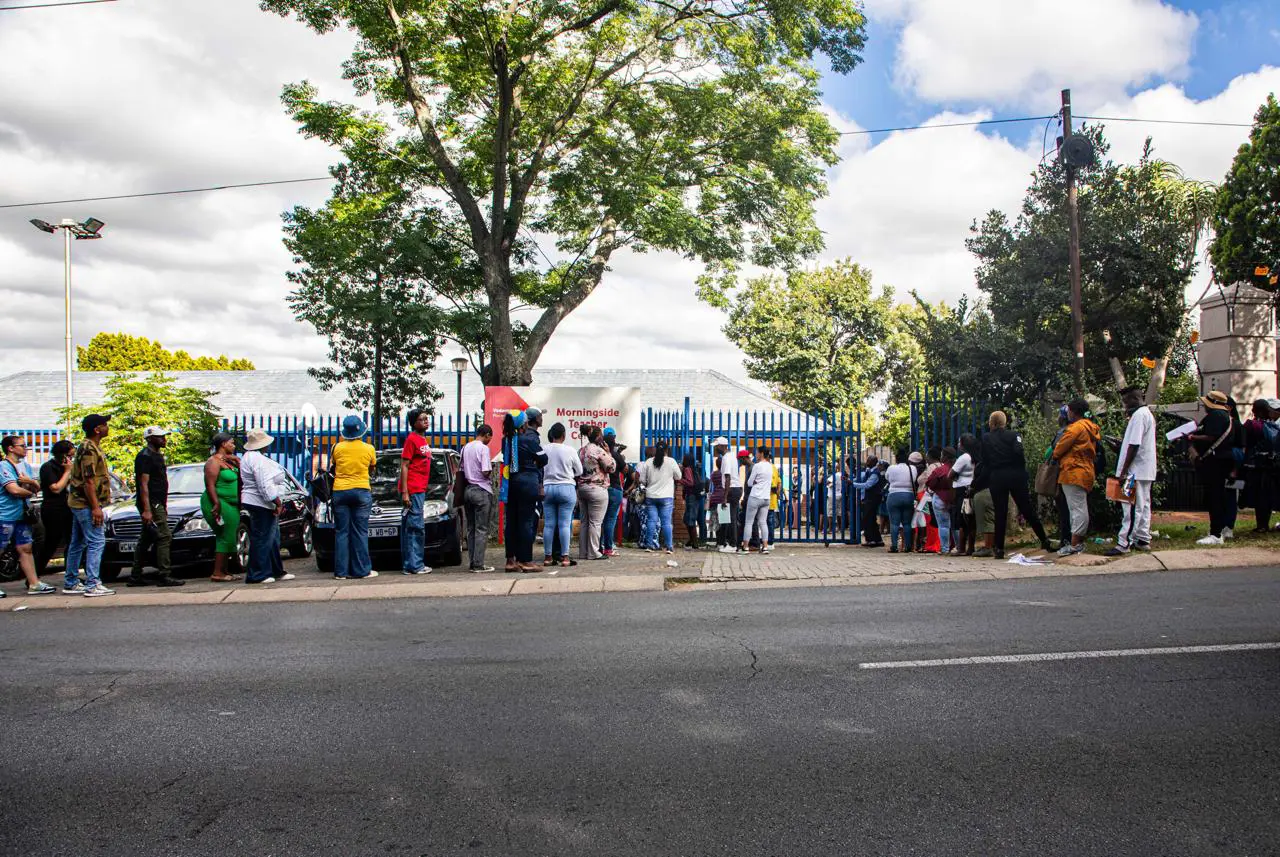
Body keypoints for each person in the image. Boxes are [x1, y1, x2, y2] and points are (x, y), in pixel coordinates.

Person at [982, 411, 1052, 559]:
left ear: (991, 423)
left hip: (997, 476)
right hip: (1016, 475)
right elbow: (1019, 452)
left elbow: (985, 460)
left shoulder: (986, 438)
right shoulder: (1014, 435)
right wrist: (1019, 468)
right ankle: (1044, 539)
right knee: (1026, 508)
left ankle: (999, 548)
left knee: (1000, 512)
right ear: (1004, 422)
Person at [0, 435, 58, 597]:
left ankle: (34, 583)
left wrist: (30, 484)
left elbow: (36, 487)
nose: (25, 448)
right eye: (22, 445)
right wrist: (30, 490)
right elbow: (14, 490)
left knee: (26, 548)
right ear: (10, 448)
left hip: (22, 515)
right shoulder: (3, 466)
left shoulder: (24, 466)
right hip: (5, 515)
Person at [65, 414, 115, 596]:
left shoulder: (90, 446)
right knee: (96, 541)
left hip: (79, 502)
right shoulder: (88, 449)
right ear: (97, 429)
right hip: (85, 503)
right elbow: (89, 480)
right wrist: (95, 507)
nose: (107, 428)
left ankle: (71, 581)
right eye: (104, 425)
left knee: (77, 542)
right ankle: (92, 583)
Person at [1106, 386, 1159, 555]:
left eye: (1125, 401)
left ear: (1134, 400)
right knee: (1143, 505)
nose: (1124, 405)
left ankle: (1124, 543)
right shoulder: (1146, 414)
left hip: (1134, 471)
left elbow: (1134, 445)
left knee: (1130, 506)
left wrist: (1123, 471)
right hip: (1144, 469)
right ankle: (1142, 538)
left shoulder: (1138, 416)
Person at [129, 426, 184, 587]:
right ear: (150, 439)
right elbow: (143, 484)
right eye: (160, 437)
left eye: (164, 437)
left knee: (146, 538)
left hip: (157, 501)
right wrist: (147, 509)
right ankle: (164, 574)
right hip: (152, 502)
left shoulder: (156, 456)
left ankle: (135, 575)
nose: (164, 439)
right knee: (164, 536)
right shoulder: (145, 457)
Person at [239, 428, 294, 584]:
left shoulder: (247, 457)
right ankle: (257, 574)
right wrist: (276, 501)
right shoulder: (258, 460)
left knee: (270, 538)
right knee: (262, 538)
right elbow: (264, 484)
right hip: (261, 502)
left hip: (254, 500)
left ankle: (274, 570)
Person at [1188, 391, 1238, 545]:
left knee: (1215, 497)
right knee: (1217, 496)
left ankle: (1216, 534)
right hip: (1220, 461)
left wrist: (1192, 437)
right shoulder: (1226, 417)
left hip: (1215, 461)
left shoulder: (1216, 415)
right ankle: (1218, 530)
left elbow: (1211, 437)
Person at [332, 416, 378, 580]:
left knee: (342, 532)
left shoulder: (336, 447)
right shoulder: (369, 448)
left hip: (340, 490)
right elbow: (372, 467)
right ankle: (361, 570)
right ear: (361, 430)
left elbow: (335, 465)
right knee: (360, 531)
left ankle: (341, 572)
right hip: (361, 490)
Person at [1052, 400, 1100, 557]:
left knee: (1077, 508)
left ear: (1073, 411)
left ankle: (1075, 544)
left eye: (1069, 411)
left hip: (1073, 471)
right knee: (1079, 506)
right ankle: (1077, 541)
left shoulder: (1075, 428)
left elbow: (1058, 449)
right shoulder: (1090, 426)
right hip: (1086, 470)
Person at [503, 409, 547, 572]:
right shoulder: (528, 441)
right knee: (526, 522)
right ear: (523, 424)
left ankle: (510, 560)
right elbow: (544, 459)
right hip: (527, 483)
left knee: (512, 523)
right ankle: (525, 560)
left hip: (511, 484)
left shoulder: (506, 441)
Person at [540, 422, 582, 567]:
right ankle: (565, 558)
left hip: (547, 488)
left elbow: (539, 467)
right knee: (564, 524)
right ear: (563, 436)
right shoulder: (570, 450)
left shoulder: (544, 449)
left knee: (549, 525)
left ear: (551, 435)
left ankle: (547, 557)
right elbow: (580, 471)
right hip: (566, 488)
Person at [201, 433, 242, 582]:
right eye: (231, 443)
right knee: (224, 535)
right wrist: (216, 503)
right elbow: (210, 484)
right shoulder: (213, 462)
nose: (234, 445)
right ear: (223, 444)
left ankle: (225, 571)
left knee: (230, 536)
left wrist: (237, 461)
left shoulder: (230, 461)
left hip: (231, 504)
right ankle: (217, 572)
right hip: (217, 502)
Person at [399, 408, 434, 575]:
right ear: (414, 423)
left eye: (426, 418)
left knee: (411, 526)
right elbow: (405, 465)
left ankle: (410, 563)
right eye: (422, 419)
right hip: (413, 488)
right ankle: (415, 565)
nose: (426, 421)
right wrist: (405, 491)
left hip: (420, 487)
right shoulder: (411, 440)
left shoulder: (423, 440)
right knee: (415, 527)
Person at [35, 439, 74, 576]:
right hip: (53, 509)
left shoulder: (65, 467)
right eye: (69, 456)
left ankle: (71, 574)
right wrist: (68, 471)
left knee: (71, 541)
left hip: (67, 507)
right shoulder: (48, 467)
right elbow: (56, 488)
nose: (70, 459)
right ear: (61, 455)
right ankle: (35, 574)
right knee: (52, 541)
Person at [577, 426, 615, 561]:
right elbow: (612, 467)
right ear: (599, 437)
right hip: (597, 489)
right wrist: (608, 453)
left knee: (584, 522)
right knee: (595, 522)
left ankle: (583, 552)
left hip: (582, 489)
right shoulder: (599, 451)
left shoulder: (581, 451)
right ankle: (594, 552)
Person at [461, 423, 495, 572]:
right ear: (487, 434)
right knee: (481, 529)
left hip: (467, 490)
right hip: (481, 490)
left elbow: (461, 469)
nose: (489, 440)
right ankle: (478, 564)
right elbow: (486, 470)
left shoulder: (465, 447)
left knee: (471, 528)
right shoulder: (483, 448)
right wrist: (492, 469)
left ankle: (472, 562)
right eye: (490, 437)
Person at [1242, 399, 1279, 534]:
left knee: (1259, 497)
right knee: (1267, 496)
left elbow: (1244, 442)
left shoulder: (1252, 425)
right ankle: (1264, 525)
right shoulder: (1273, 426)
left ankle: (1261, 525)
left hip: (1256, 464)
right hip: (1271, 465)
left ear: (1254, 410)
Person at [637, 441, 682, 554]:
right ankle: (669, 547)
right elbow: (679, 476)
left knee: (651, 520)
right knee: (666, 522)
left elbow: (642, 480)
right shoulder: (671, 461)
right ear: (667, 450)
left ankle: (649, 545)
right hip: (666, 497)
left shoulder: (648, 462)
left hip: (651, 496)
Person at [883, 449, 919, 553]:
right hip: (909, 495)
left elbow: (887, 478)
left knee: (894, 523)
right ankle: (908, 546)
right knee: (907, 523)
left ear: (896, 459)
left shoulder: (891, 468)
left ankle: (894, 546)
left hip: (894, 495)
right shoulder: (912, 468)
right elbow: (914, 479)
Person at [742, 445, 774, 554]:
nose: (755, 454)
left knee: (749, 522)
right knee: (763, 522)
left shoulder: (757, 466)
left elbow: (749, 482)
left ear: (761, 453)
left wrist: (756, 482)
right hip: (766, 498)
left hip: (755, 497)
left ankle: (745, 547)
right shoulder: (770, 466)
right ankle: (765, 547)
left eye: (756, 452)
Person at [848, 454, 883, 548]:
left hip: (873, 498)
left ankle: (871, 540)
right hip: (869, 498)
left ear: (873, 462)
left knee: (867, 518)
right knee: (871, 519)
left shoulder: (875, 473)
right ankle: (878, 540)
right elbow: (861, 480)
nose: (867, 462)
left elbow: (867, 485)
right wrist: (851, 480)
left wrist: (853, 484)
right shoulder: (869, 471)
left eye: (869, 461)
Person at [600, 428, 626, 557]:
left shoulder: (599, 452)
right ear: (614, 438)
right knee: (610, 520)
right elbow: (625, 469)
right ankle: (608, 548)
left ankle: (599, 546)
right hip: (615, 489)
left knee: (599, 520)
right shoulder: (615, 455)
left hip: (603, 488)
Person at [950, 435, 976, 556]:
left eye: (959, 442)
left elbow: (950, 474)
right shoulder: (976, 455)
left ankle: (961, 548)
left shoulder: (964, 457)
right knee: (971, 520)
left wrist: (956, 476)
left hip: (961, 490)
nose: (958, 444)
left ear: (964, 444)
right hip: (972, 488)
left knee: (962, 520)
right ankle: (970, 547)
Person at [713, 438, 742, 551]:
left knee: (731, 518)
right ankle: (731, 543)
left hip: (731, 489)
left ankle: (733, 545)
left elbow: (727, 476)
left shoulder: (725, 458)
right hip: (736, 488)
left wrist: (724, 497)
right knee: (732, 517)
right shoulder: (732, 456)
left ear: (722, 446)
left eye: (716, 446)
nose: (715, 448)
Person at [926, 447, 956, 555]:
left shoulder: (939, 470)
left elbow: (929, 482)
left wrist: (937, 488)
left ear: (946, 457)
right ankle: (957, 547)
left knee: (943, 525)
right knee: (955, 525)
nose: (941, 457)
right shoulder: (956, 468)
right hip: (954, 499)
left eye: (942, 455)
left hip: (939, 497)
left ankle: (945, 548)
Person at [678, 452, 707, 550]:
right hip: (694, 496)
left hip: (692, 497)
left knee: (690, 519)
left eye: (684, 458)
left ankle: (695, 543)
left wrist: (679, 480)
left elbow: (690, 483)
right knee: (687, 519)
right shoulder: (693, 469)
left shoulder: (687, 469)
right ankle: (692, 540)